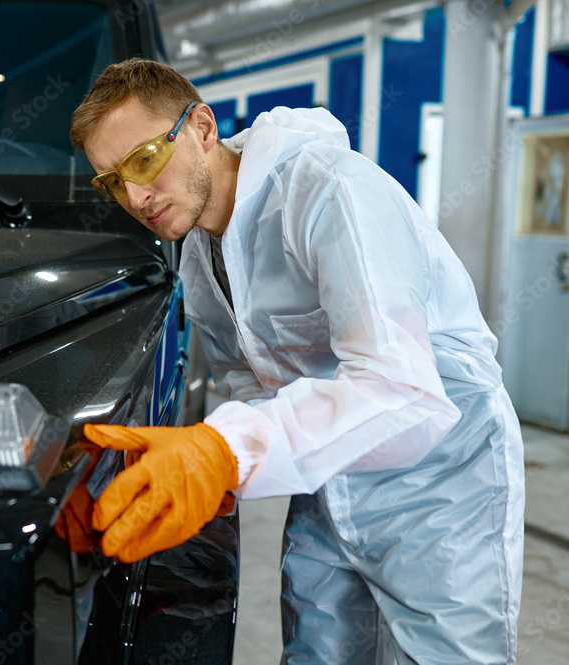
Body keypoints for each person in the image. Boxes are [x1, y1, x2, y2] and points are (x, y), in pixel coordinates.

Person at [68, 57, 524, 664]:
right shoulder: (203, 256)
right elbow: (255, 389)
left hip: (441, 479)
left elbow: (400, 388)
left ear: (202, 126)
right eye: (111, 182)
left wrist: (224, 452)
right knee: (318, 653)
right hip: (327, 481)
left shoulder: (328, 190)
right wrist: (172, 469)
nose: (135, 195)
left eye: (144, 160)